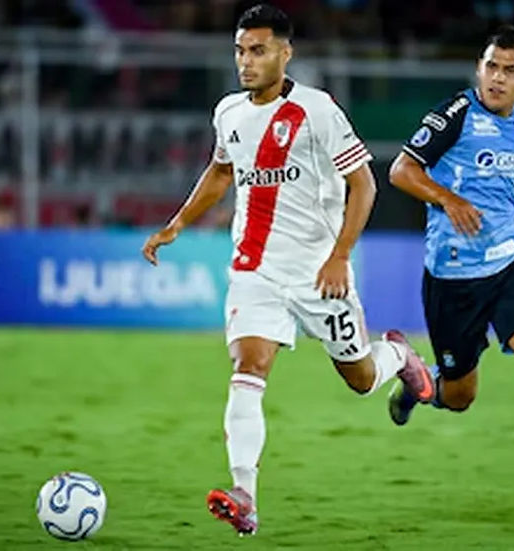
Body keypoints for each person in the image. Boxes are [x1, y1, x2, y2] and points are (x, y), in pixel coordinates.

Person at [140, 4, 434, 537]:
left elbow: (364, 184)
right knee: (247, 370)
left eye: (257, 50)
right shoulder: (228, 111)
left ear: (285, 52)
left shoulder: (317, 110)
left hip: (320, 273)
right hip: (255, 269)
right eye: (239, 51)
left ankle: (401, 356)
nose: (246, 62)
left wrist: (340, 254)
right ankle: (245, 494)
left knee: (362, 380)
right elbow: (220, 171)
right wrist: (177, 224)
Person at [387, 25, 514, 519]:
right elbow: (401, 170)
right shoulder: (455, 115)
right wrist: (448, 198)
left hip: (507, 264)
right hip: (452, 277)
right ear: (479, 69)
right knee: (460, 397)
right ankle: (421, 383)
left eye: (510, 70)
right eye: (491, 67)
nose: (497, 78)